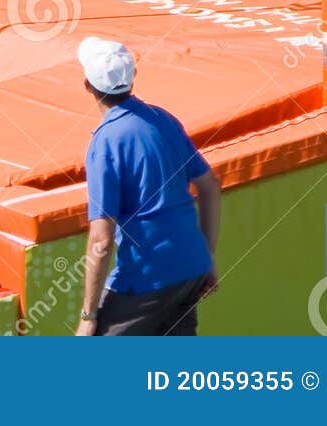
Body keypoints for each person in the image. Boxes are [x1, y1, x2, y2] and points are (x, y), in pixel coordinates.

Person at [75, 38, 221, 338]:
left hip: (145, 280)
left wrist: (89, 316)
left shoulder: (105, 143)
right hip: (190, 269)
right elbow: (209, 187)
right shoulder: (163, 119)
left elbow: (101, 242)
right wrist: (205, 258)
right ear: (133, 77)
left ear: (87, 85)